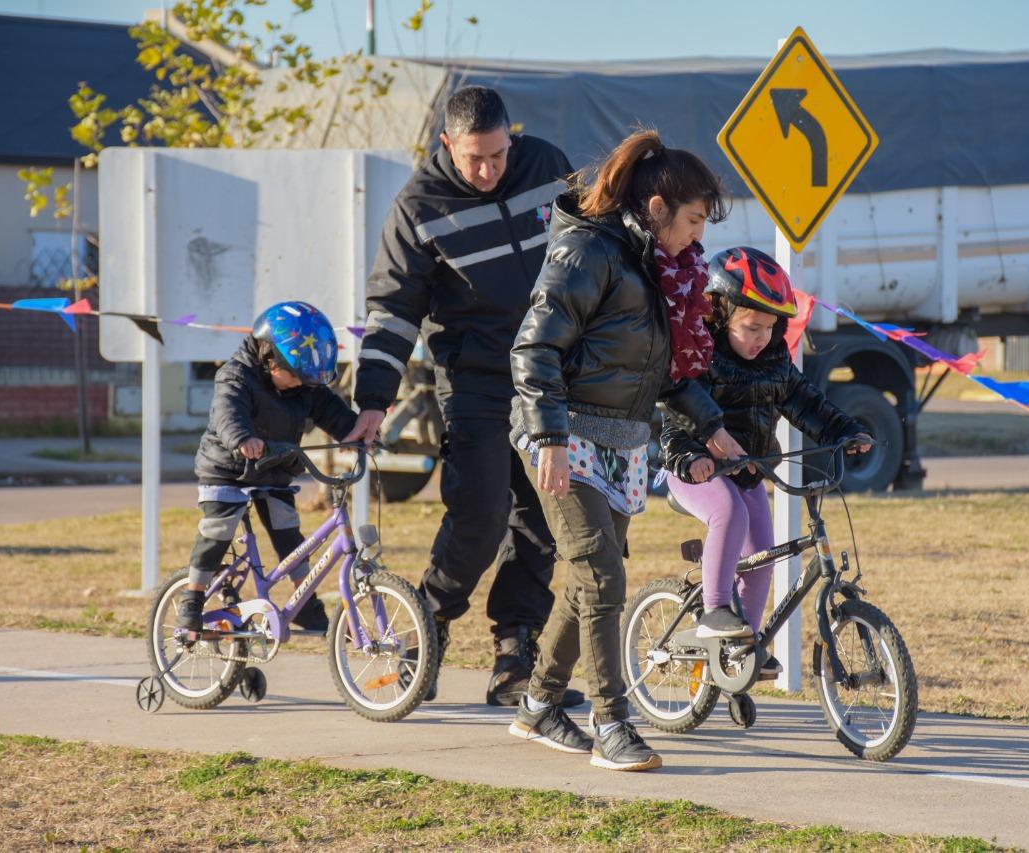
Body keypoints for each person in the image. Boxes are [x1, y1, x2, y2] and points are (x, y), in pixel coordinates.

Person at [508, 129, 746, 771]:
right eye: (694, 220)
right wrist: (551, 437)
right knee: (601, 575)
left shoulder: (659, 268)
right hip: (563, 434)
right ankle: (612, 724)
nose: (699, 237)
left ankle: (538, 706)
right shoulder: (588, 251)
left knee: (583, 582)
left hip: (621, 440)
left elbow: (659, 371)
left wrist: (712, 424)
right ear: (658, 208)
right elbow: (533, 351)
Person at [344, 85, 581, 707]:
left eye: (498, 155)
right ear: (447, 144)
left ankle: (515, 656)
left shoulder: (550, 167)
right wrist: (373, 398)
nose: (488, 170)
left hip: (552, 379)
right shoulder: (419, 206)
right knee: (477, 516)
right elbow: (393, 312)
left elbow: (595, 252)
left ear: (514, 136)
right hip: (474, 380)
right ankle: (429, 624)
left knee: (542, 522)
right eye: (474, 158)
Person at [661, 246, 872, 667]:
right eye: (751, 327)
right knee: (730, 515)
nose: (762, 339)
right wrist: (688, 457)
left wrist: (844, 431)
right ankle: (715, 610)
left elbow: (807, 404)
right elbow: (675, 413)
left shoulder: (775, 363)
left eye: (770, 329)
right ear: (721, 315)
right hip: (695, 471)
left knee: (763, 556)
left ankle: (745, 647)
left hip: (747, 472)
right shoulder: (700, 358)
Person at [176, 301, 358, 633]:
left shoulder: (302, 385)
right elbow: (227, 410)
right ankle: (193, 596)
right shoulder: (236, 375)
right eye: (296, 376)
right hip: (228, 467)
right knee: (218, 530)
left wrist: (356, 432)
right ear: (269, 357)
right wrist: (242, 437)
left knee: (290, 534)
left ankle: (305, 603)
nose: (302, 384)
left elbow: (330, 409)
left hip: (273, 468)